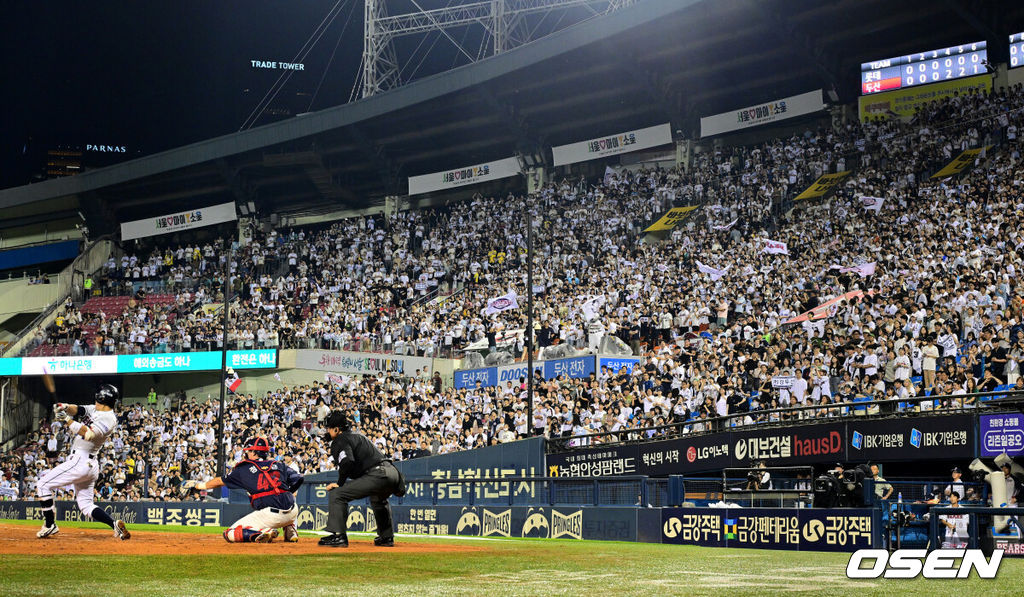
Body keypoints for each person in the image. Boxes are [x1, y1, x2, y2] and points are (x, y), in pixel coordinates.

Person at [35, 384, 130, 540]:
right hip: (89, 465)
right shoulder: (97, 410)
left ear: (102, 398)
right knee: (86, 506)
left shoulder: (108, 418)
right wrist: (64, 407)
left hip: (81, 460)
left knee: (43, 485)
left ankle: (50, 524)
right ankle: (115, 525)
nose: (95, 400)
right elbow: (78, 409)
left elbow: (89, 435)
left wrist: (66, 420)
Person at [182, 436, 303, 543]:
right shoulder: (279, 464)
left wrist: (198, 485)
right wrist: (287, 494)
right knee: (286, 497)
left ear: (255, 453)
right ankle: (290, 527)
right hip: (293, 511)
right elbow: (298, 479)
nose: (246, 454)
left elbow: (219, 481)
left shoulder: (243, 469)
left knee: (230, 533)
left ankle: (262, 532)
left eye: (249, 451)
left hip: (271, 515)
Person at [319, 411, 404, 548]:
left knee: (337, 494)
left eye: (329, 428)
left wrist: (339, 483)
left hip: (377, 474)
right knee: (378, 499)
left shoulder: (340, 440)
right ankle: (386, 537)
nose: (327, 431)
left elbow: (347, 462)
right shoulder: (357, 435)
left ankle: (339, 536)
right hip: (393, 473)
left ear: (337, 429)